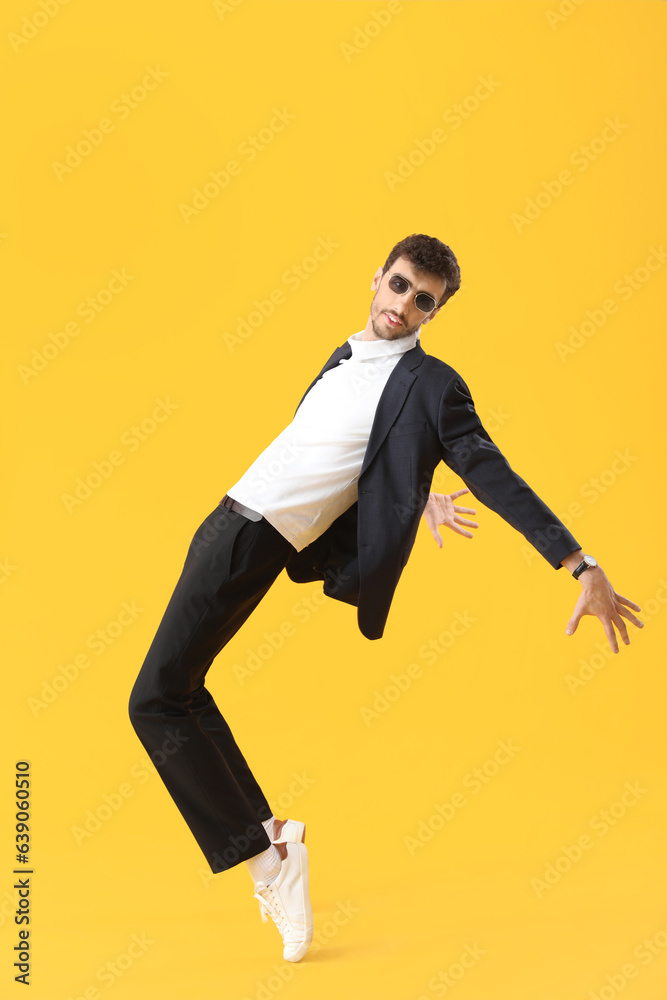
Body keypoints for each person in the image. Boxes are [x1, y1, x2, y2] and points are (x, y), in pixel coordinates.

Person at [128, 233, 643, 963]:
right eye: (398, 286)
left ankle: (269, 865)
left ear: (435, 313)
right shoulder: (345, 355)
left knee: (152, 701)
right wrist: (408, 495)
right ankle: (271, 838)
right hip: (224, 521)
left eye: (421, 300)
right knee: (179, 690)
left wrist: (578, 562)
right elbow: (336, 449)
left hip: (256, 539)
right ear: (376, 279)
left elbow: (493, 474)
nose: (403, 305)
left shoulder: (433, 386)